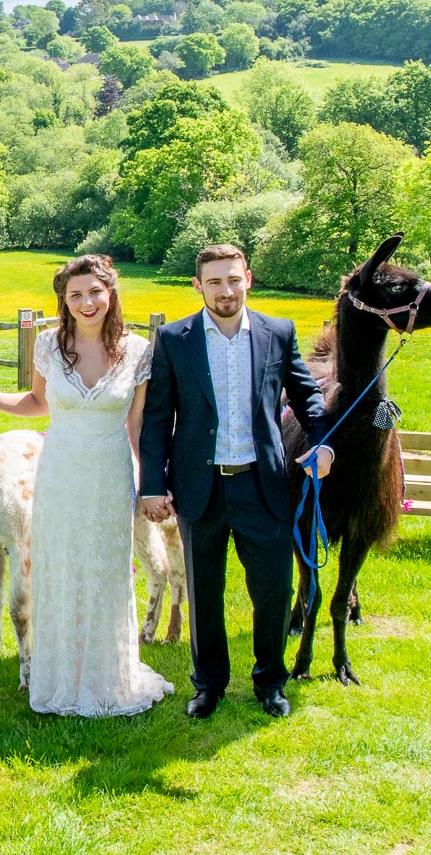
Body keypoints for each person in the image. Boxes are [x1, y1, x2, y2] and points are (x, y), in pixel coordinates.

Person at [0, 254, 173, 716]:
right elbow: (36, 402)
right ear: (63, 300)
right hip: (61, 474)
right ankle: (60, 675)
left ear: (111, 294)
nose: (86, 302)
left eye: (94, 292)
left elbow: (138, 429)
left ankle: (108, 675)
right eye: (75, 295)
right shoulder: (49, 344)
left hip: (110, 475)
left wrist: (153, 483)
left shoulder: (138, 351)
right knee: (61, 570)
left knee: (107, 572)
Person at [138, 244, 332, 720]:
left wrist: (323, 443)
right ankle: (208, 685)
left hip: (262, 484)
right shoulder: (174, 339)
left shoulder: (277, 333)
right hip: (199, 487)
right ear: (197, 285)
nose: (225, 291)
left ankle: (270, 682)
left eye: (233, 279)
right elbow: (158, 417)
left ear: (248, 277)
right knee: (203, 591)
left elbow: (308, 396)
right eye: (214, 282)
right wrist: (151, 484)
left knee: (272, 589)